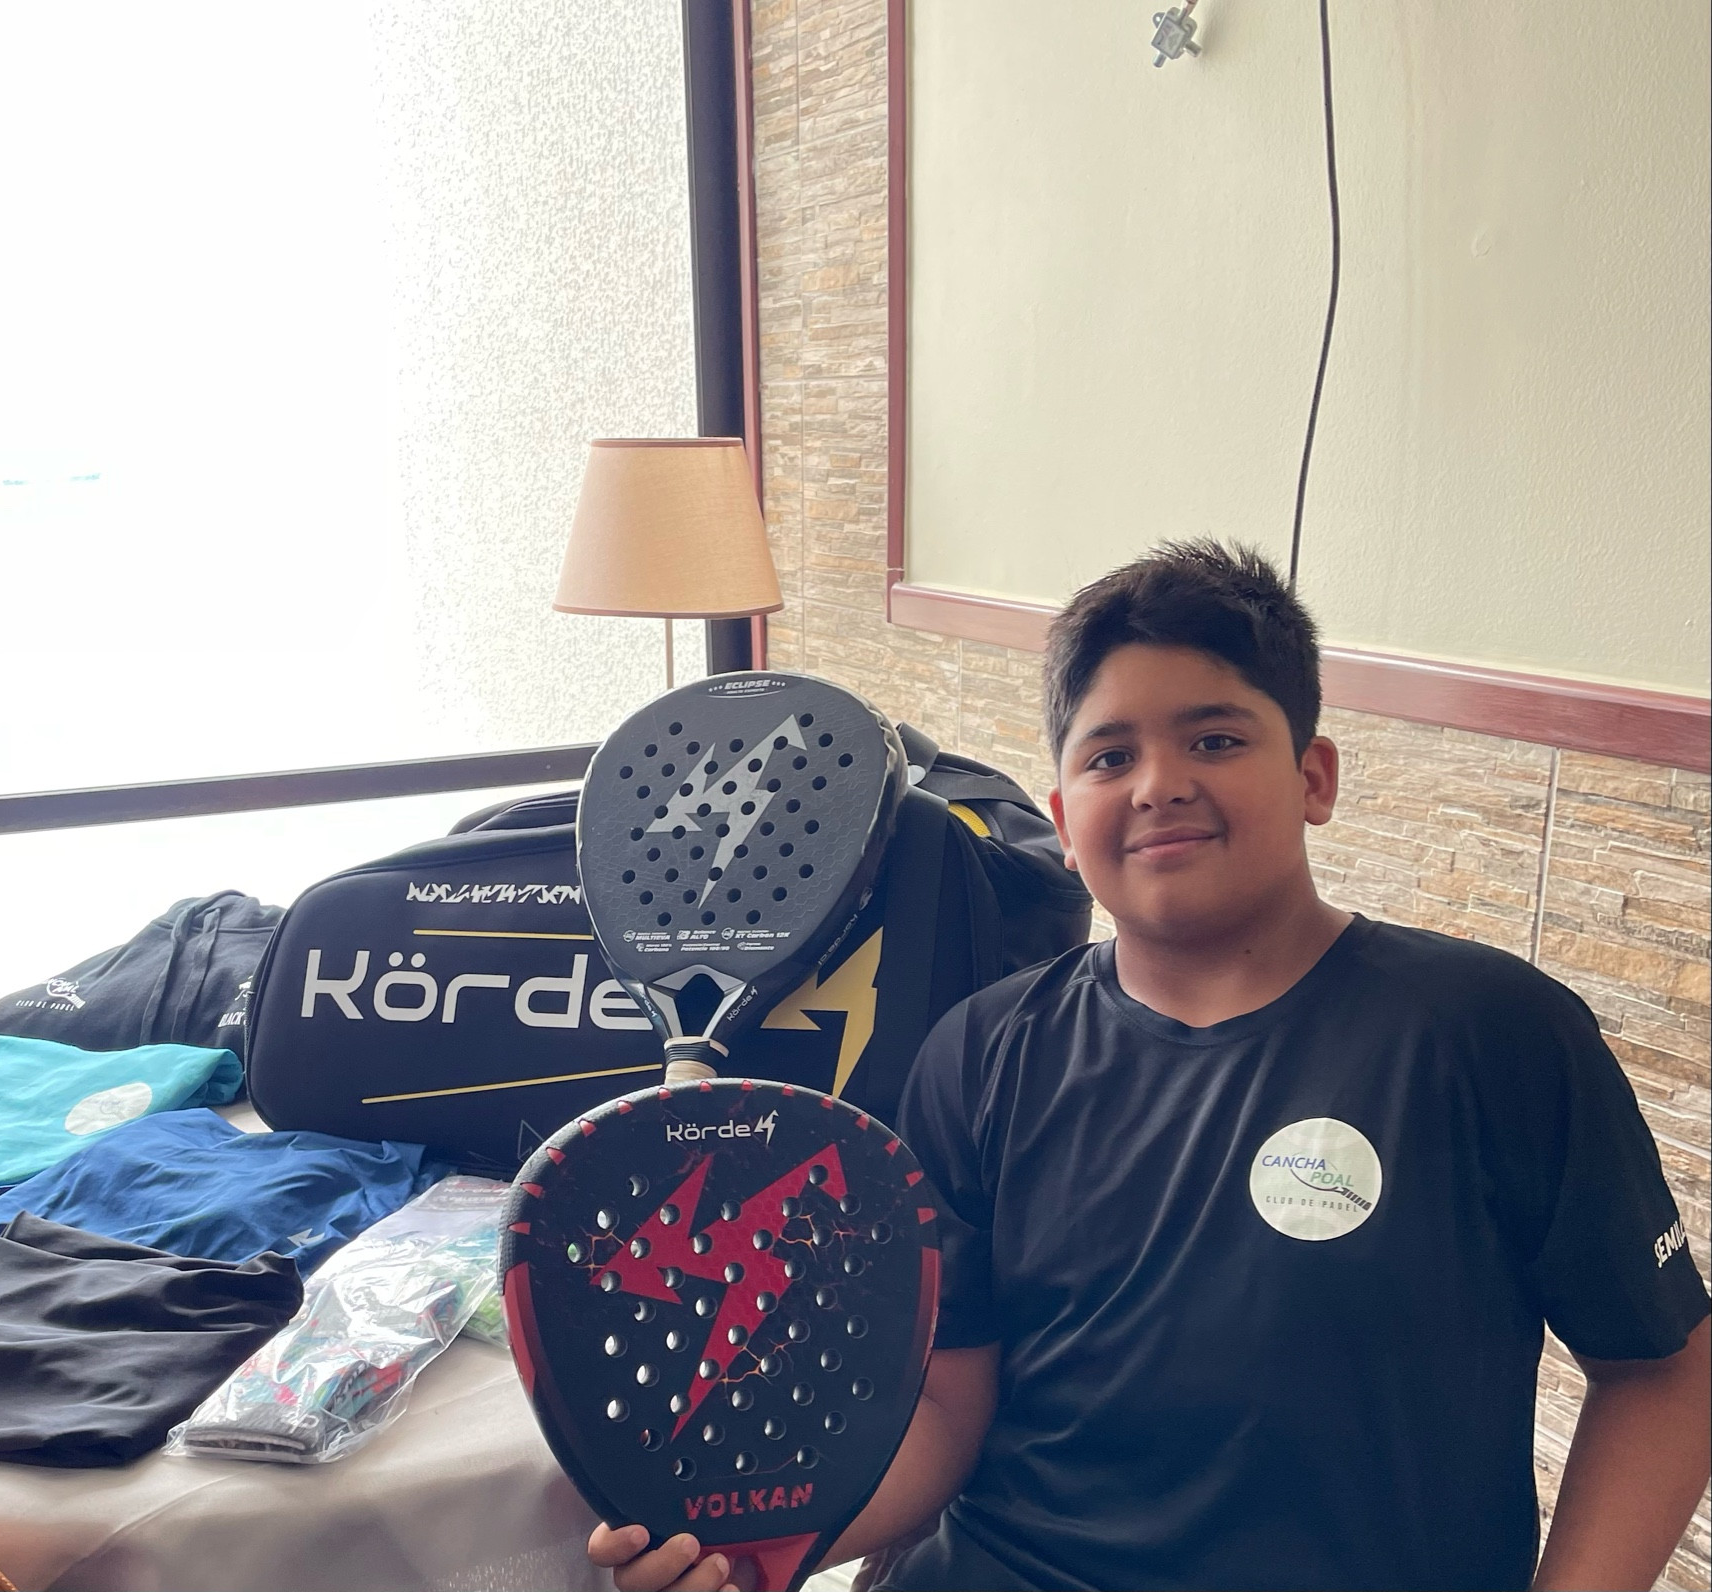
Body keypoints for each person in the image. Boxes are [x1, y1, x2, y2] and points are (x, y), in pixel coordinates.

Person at [589, 540, 1710, 1592]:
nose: (1158, 783)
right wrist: (754, 1553)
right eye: (1110, 756)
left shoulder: (1492, 1033)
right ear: (1065, 817)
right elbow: (945, 1412)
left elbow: (1665, 1372)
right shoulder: (978, 1052)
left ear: (1314, 776)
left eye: (1215, 740)